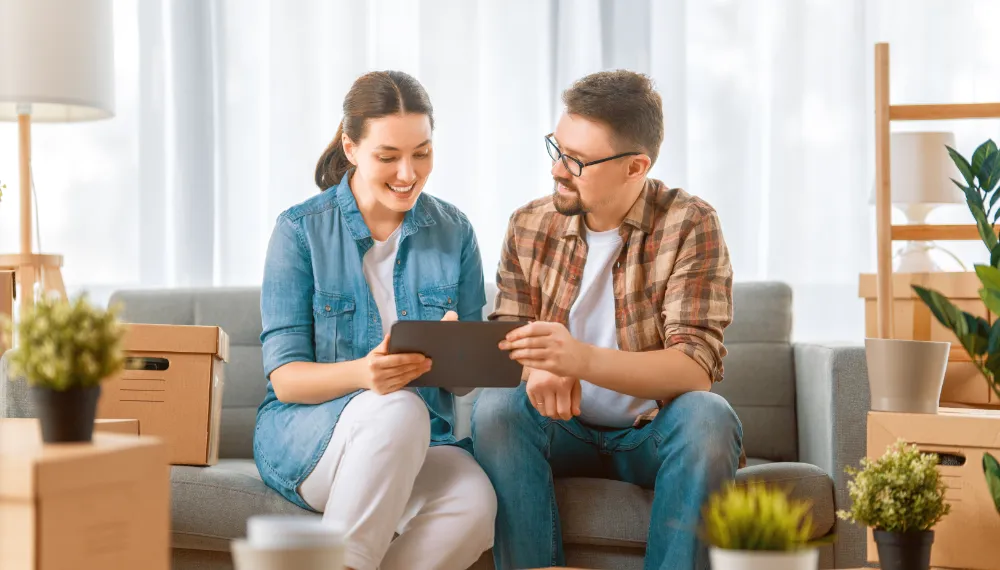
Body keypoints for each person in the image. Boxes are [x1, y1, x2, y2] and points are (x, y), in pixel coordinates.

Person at [471, 70, 744, 570]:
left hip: (650, 433)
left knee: (709, 420)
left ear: (635, 166)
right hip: (561, 429)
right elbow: (506, 340)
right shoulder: (529, 224)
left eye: (576, 161)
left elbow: (694, 368)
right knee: (495, 410)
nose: (557, 169)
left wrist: (577, 359)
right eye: (557, 148)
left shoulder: (690, 223)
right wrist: (538, 367)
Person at [254, 70, 496, 570]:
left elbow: (469, 382)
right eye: (388, 157)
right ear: (351, 148)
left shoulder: (455, 231)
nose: (408, 173)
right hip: (310, 438)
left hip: (422, 438)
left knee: (476, 504)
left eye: (422, 153)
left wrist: (457, 356)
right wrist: (366, 374)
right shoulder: (299, 231)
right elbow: (287, 381)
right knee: (397, 408)